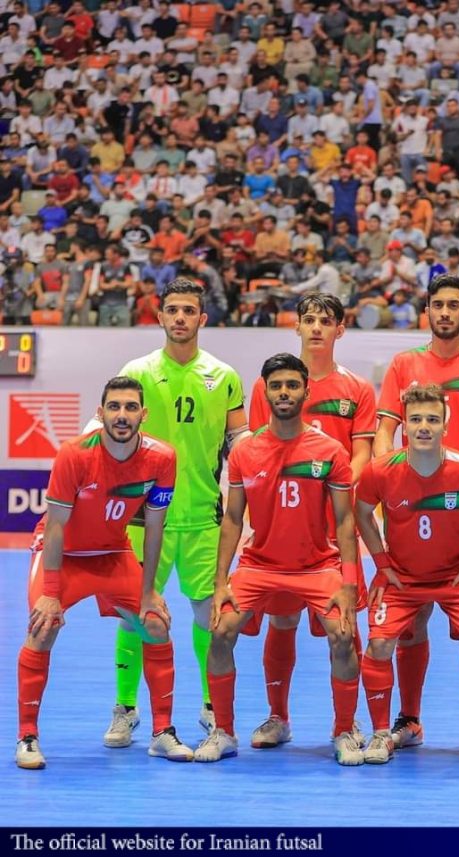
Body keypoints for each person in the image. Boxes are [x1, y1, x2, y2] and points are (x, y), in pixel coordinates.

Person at [17, 377, 193, 769]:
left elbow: (155, 526)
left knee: (156, 624)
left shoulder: (162, 458)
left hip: (113, 553)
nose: (122, 415)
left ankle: (162, 732)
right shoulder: (74, 454)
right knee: (42, 627)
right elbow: (57, 526)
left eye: (131, 407)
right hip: (65, 555)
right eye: (114, 407)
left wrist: (149, 592)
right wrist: (50, 591)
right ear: (101, 413)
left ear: (143, 415)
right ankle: (27, 737)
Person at [195, 353, 362, 766]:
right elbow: (233, 518)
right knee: (220, 631)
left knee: (343, 636)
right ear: (265, 391)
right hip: (259, 565)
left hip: (317, 566)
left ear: (306, 390)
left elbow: (344, 521)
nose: (284, 392)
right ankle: (225, 731)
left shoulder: (330, 451)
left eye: (292, 385)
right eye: (276, 385)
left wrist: (349, 584)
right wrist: (221, 583)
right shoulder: (245, 452)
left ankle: (343, 730)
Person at [372, 275, 459, 750]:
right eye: (438, 305)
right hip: (411, 509)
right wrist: (393, 472)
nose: (446, 312)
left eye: (455, 305)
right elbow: (386, 430)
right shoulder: (403, 364)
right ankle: (408, 720)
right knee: (408, 624)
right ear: (427, 312)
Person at [109, 277, 248, 746]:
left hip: (203, 517)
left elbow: (240, 444)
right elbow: (110, 427)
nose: (181, 318)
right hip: (142, 518)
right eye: (173, 310)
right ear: (160, 316)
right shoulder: (139, 371)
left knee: (209, 615)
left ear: (202, 318)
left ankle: (212, 708)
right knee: (134, 615)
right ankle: (126, 709)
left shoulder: (224, 375)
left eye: (190, 310)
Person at [244, 295, 376, 749]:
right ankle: (277, 717)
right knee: (282, 622)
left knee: (342, 627)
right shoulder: (272, 385)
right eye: (308, 320)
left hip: (335, 524)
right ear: (296, 328)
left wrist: (332, 484)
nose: (316, 327)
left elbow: (362, 453)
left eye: (326, 321)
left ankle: (347, 725)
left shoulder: (357, 389)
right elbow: (260, 452)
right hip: (283, 527)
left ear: (340, 330)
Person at [355, 384, 459, 766]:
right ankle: (388, 731)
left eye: (432, 419)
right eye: (416, 419)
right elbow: (360, 512)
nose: (424, 427)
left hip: (456, 575)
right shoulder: (381, 471)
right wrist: (382, 563)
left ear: (446, 422)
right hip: (403, 578)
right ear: (404, 424)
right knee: (378, 645)